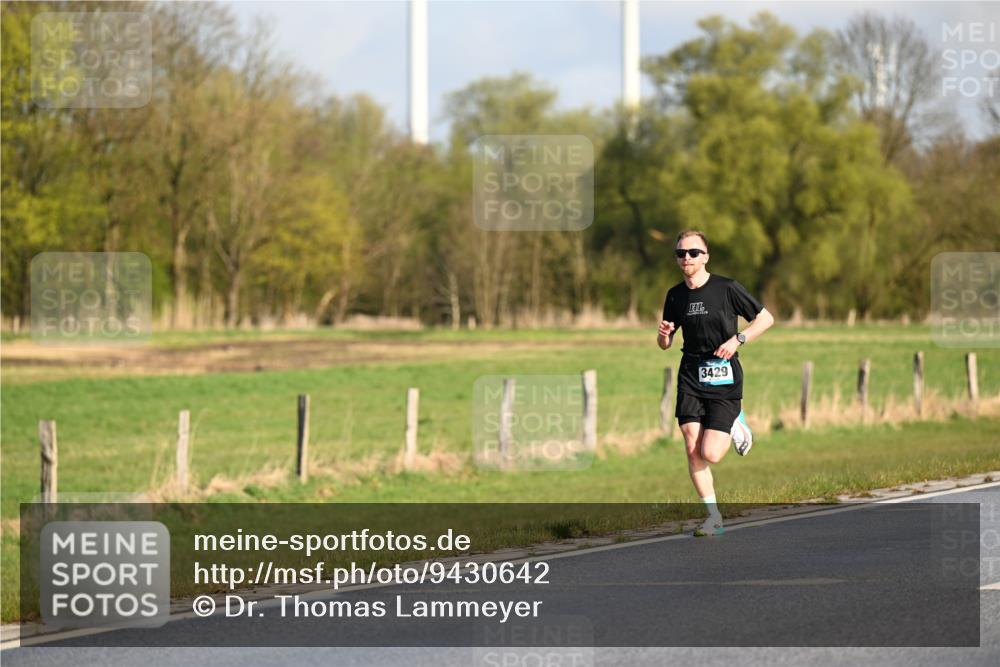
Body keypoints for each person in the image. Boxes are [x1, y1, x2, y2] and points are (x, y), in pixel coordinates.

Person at [657, 230, 774, 537]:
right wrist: (664, 334)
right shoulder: (675, 295)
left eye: (693, 252)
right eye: (681, 253)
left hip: (724, 374)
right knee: (691, 446)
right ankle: (713, 517)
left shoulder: (727, 288)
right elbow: (665, 344)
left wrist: (738, 339)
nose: (686, 258)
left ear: (705, 257)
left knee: (711, 453)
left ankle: (736, 420)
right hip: (690, 373)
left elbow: (766, 319)